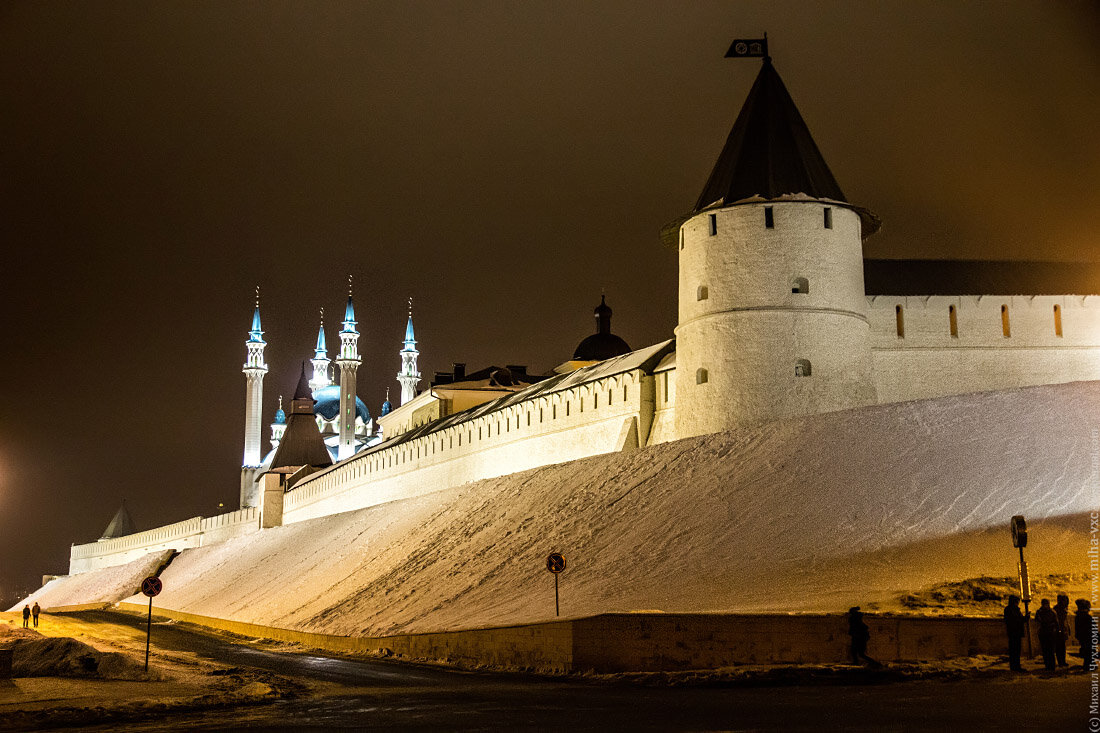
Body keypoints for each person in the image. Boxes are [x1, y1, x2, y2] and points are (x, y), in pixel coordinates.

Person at [1004, 595, 1026, 671]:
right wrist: (1023, 619)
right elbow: (1015, 620)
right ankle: (1015, 666)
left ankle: (1015, 666)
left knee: (1015, 650)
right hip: (1014, 632)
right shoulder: (1011, 610)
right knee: (1015, 650)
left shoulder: (1012, 610)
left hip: (1015, 632)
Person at [1035, 598, 1058, 671]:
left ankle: (1051, 665)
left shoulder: (1051, 612)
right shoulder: (1040, 612)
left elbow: (1056, 622)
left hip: (1049, 632)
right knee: (1046, 650)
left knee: (1050, 650)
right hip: (1044, 632)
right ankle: (1048, 665)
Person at [1076, 599, 1094, 672]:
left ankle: (1088, 665)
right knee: (1089, 652)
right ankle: (1087, 666)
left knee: (1087, 651)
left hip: (1083, 636)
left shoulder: (1078, 616)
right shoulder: (1087, 617)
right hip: (1088, 636)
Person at [1054, 594, 1070, 667]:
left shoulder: (1060, 608)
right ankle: (1061, 662)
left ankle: (1062, 661)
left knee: (1061, 647)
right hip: (1060, 630)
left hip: (1061, 630)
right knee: (1060, 647)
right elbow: (1061, 621)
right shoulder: (1059, 609)